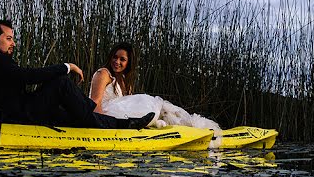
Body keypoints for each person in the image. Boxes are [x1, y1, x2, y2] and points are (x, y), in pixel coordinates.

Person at [0, 20, 154, 129]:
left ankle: (124, 124)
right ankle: (97, 114)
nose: (13, 43)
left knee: (68, 115)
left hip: (15, 110)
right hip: (16, 116)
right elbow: (28, 76)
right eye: (8, 39)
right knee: (61, 83)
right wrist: (67, 66)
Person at [89, 43, 222, 141]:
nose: (117, 62)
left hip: (119, 113)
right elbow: (95, 102)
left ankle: (193, 128)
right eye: (115, 57)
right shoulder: (103, 74)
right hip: (105, 113)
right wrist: (102, 125)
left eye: (122, 59)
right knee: (151, 103)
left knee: (163, 110)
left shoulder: (123, 80)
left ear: (128, 63)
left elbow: (127, 103)